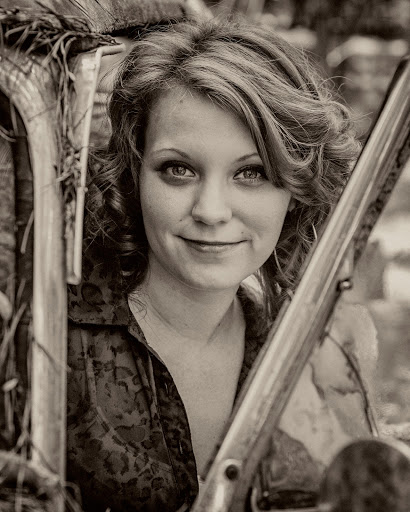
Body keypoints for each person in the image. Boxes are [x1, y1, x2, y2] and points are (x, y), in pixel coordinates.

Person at [66, 15, 378, 512]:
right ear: (134, 176)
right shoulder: (53, 344)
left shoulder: (317, 351)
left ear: (295, 190)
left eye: (251, 173)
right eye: (178, 169)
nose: (211, 212)